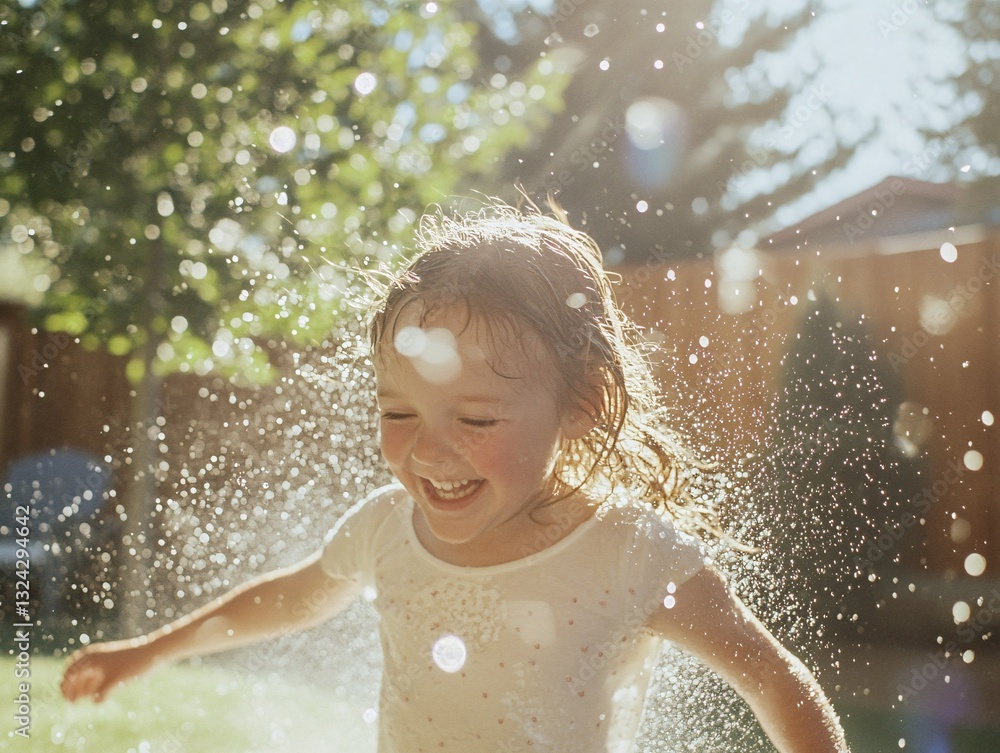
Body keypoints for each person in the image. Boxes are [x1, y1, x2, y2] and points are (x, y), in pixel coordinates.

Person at [62, 201, 850, 752]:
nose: (430, 452)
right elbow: (289, 597)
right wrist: (149, 651)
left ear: (582, 402)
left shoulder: (629, 553)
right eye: (397, 412)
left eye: (475, 420)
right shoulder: (385, 529)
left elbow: (772, 677)